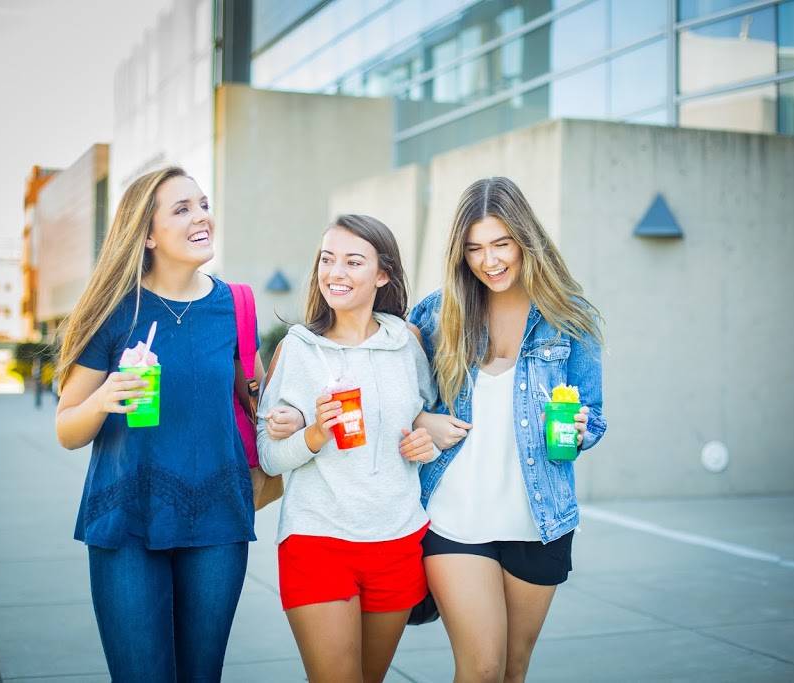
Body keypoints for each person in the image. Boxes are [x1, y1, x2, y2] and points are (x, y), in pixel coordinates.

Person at [54, 166, 299, 680]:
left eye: (204, 204)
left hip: (216, 521)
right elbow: (67, 430)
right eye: (182, 209)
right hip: (126, 521)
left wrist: (287, 415)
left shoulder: (233, 307)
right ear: (146, 234)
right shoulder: (115, 311)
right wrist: (104, 399)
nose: (201, 216)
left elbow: (256, 404)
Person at [409, 177, 607, 683]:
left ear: (525, 241)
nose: (489, 261)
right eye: (474, 248)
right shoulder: (436, 314)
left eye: (501, 244)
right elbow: (395, 398)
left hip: (537, 521)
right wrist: (422, 418)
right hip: (455, 520)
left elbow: (593, 417)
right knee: (481, 668)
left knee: (513, 672)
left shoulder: (570, 318)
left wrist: (581, 429)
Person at [256, 214, 437, 683]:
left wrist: (425, 439)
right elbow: (270, 458)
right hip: (317, 540)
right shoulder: (297, 350)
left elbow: (424, 416)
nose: (335, 273)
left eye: (353, 262)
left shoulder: (408, 344)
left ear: (382, 274)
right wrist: (314, 433)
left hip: (397, 538)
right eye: (327, 259)